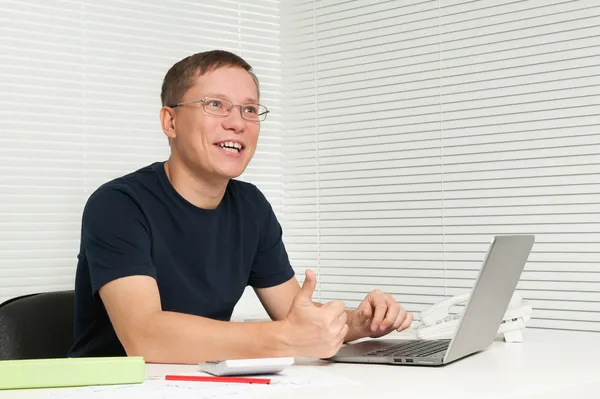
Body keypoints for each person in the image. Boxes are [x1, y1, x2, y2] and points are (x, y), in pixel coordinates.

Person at [68, 49, 413, 364]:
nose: (237, 122)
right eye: (216, 104)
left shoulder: (251, 206)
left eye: (249, 109)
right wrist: (286, 338)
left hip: (202, 381)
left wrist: (359, 322)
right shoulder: (117, 205)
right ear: (169, 122)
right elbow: (146, 338)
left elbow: (295, 315)